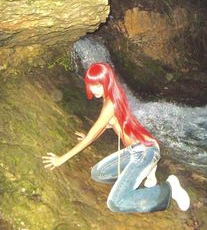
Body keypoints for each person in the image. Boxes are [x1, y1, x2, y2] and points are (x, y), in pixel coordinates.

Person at [42, 63, 190, 213]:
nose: (93, 89)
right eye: (91, 84)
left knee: (115, 203)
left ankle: (170, 188)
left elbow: (93, 134)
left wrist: (61, 159)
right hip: (134, 151)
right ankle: (144, 174)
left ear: (106, 83)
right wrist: (89, 137)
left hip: (145, 150)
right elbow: (103, 127)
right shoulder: (112, 96)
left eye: (97, 85)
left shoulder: (110, 103)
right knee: (98, 173)